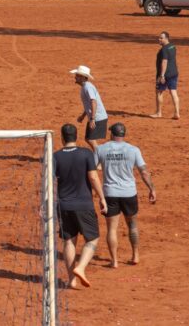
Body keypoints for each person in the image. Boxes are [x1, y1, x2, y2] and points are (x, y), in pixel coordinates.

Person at [54, 124, 108, 289]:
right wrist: (102, 197)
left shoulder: (55, 156)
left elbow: (50, 181)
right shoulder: (86, 153)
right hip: (83, 204)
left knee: (69, 241)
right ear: (76, 137)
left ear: (62, 138)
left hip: (63, 205)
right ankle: (81, 267)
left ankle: (71, 279)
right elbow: (93, 177)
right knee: (92, 238)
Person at [96, 123, 157, 268]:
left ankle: (114, 261)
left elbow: (92, 170)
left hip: (110, 193)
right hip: (129, 193)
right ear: (123, 134)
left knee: (112, 229)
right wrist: (152, 189)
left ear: (111, 134)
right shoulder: (133, 150)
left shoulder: (101, 149)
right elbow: (143, 171)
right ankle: (135, 255)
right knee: (132, 225)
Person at [70, 65, 108, 159]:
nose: (75, 77)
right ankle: (100, 157)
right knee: (89, 139)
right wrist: (83, 115)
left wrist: (92, 119)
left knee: (90, 139)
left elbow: (93, 102)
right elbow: (89, 104)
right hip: (96, 116)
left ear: (83, 77)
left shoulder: (87, 87)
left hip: (97, 117)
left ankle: (100, 159)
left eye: (77, 75)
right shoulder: (85, 87)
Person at [151, 31, 180, 120]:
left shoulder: (164, 49)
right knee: (173, 92)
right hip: (174, 72)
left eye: (161, 38)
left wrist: (162, 75)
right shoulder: (172, 46)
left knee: (159, 92)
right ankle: (177, 113)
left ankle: (159, 112)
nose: (159, 39)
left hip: (165, 74)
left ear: (166, 38)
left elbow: (164, 61)